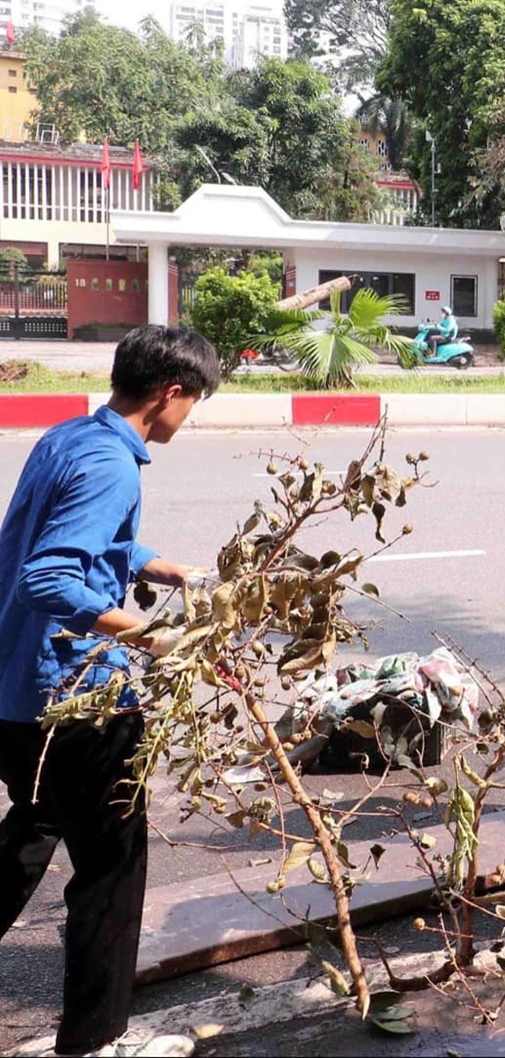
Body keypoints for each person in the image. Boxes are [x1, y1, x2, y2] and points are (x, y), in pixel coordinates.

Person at [0, 326, 222, 1058]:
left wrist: (153, 562)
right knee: (113, 867)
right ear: (171, 393)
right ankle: (94, 1041)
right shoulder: (113, 469)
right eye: (194, 402)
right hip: (77, 700)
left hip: (16, 691)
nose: (189, 417)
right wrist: (151, 637)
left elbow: (68, 539)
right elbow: (50, 577)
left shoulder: (72, 437)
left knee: (35, 829)